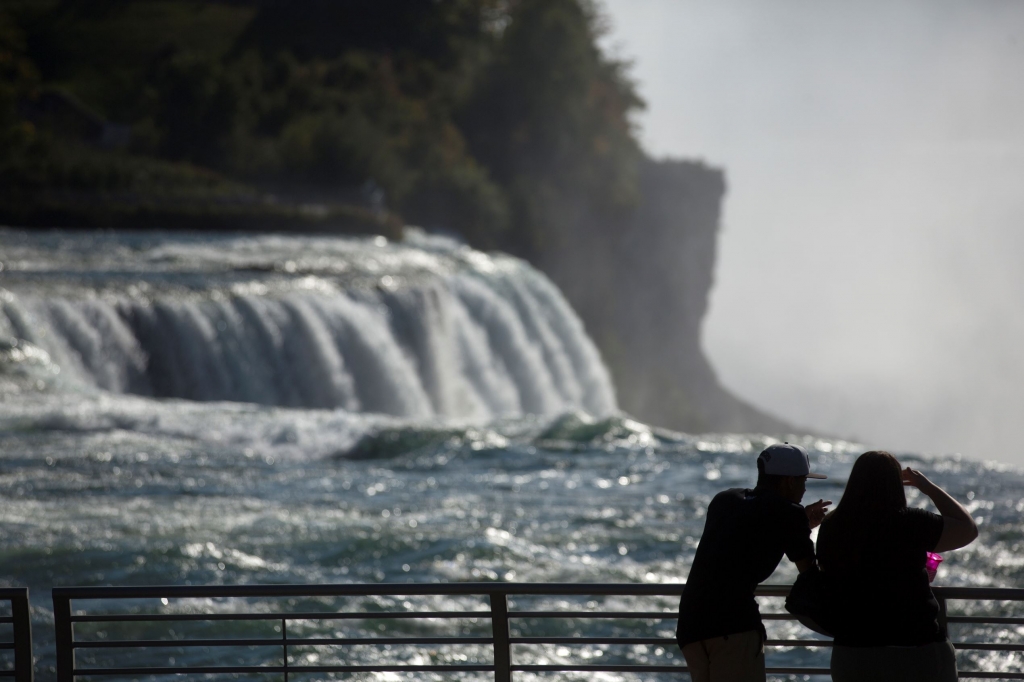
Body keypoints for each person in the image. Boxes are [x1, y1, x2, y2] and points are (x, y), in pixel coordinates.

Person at [816, 450, 978, 682]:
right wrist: (927, 486)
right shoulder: (909, 522)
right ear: (894, 484)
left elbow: (829, 575)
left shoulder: (831, 526)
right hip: (915, 649)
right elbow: (968, 529)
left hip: (852, 652)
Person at [677, 442, 831, 682]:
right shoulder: (789, 514)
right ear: (789, 481)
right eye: (803, 481)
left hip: (690, 625)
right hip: (732, 624)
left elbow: (749, 531)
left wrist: (799, 522)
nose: (803, 489)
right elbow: (808, 572)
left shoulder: (724, 500)